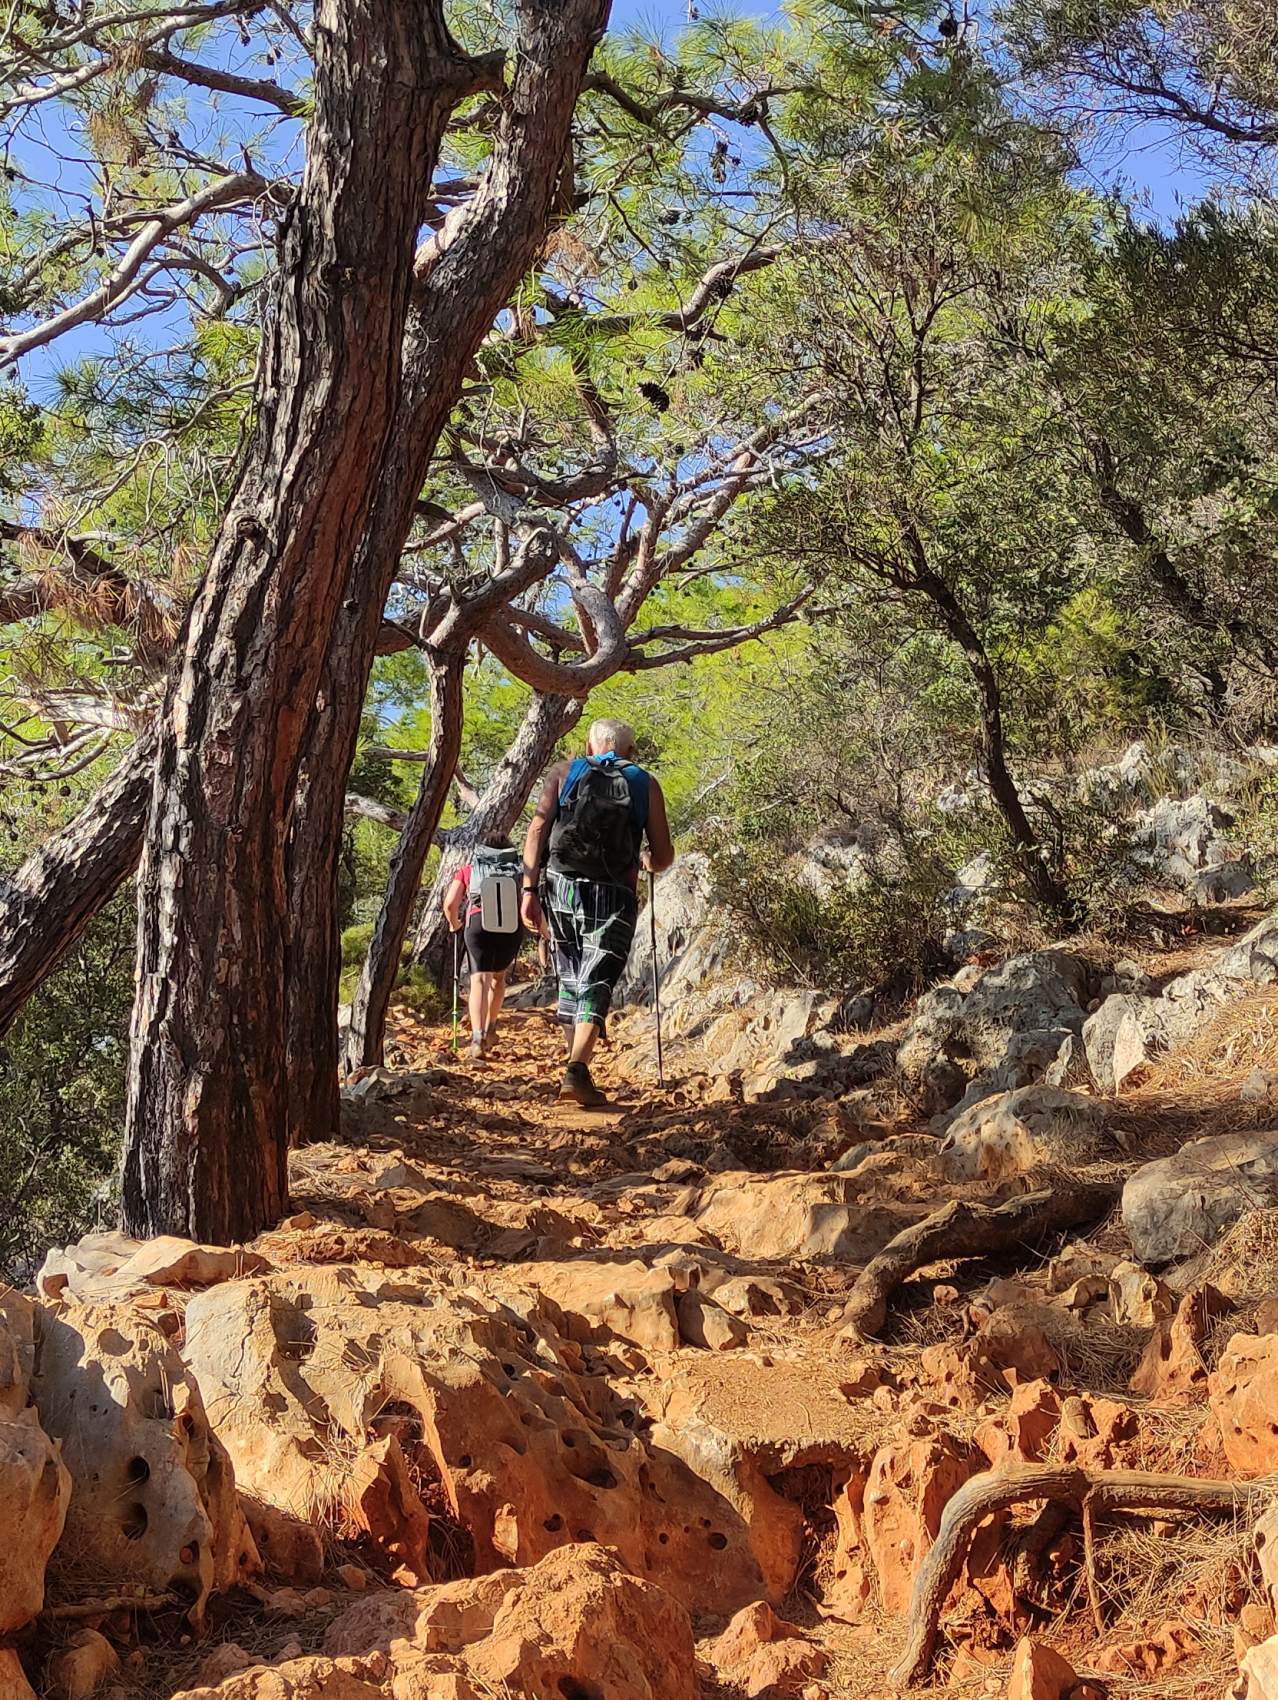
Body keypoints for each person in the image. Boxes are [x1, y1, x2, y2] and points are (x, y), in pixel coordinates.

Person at [520, 719, 674, 1106]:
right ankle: (577, 1069)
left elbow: (537, 831)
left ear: (589, 747)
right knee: (597, 977)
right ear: (630, 752)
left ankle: (576, 1067)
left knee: (571, 974)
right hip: (613, 891)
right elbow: (663, 856)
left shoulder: (563, 772)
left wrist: (528, 890)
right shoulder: (645, 783)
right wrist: (645, 861)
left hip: (560, 886)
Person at [443, 834, 525, 1059]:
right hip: (511, 926)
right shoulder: (519, 871)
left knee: (479, 981)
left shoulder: (469, 870)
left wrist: (454, 923)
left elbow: (450, 904)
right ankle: (491, 1028)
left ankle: (478, 1039)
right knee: (498, 978)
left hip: (478, 924)